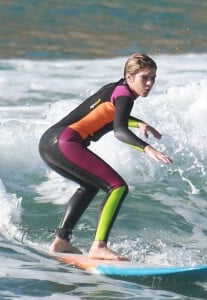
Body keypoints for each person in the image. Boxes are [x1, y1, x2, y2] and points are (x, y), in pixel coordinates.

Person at [39, 53, 172, 261]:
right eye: (144, 78)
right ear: (129, 77)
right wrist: (147, 148)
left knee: (90, 186)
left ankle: (61, 241)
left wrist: (139, 123)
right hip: (65, 141)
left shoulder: (116, 89)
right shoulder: (125, 95)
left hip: (50, 142)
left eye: (153, 78)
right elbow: (119, 129)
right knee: (117, 187)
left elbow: (111, 118)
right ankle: (99, 247)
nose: (149, 83)